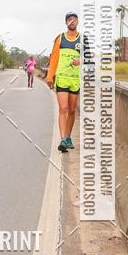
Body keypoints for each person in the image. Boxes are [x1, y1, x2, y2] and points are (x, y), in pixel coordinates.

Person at [46, 12, 82, 152]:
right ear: (66, 22)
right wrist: (50, 77)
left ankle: (67, 137)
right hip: (61, 78)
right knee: (63, 108)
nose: (72, 21)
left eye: (74, 19)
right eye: (69, 19)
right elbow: (54, 58)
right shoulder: (59, 38)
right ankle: (62, 139)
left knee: (72, 110)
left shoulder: (82, 40)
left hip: (75, 80)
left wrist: (81, 60)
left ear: (77, 22)